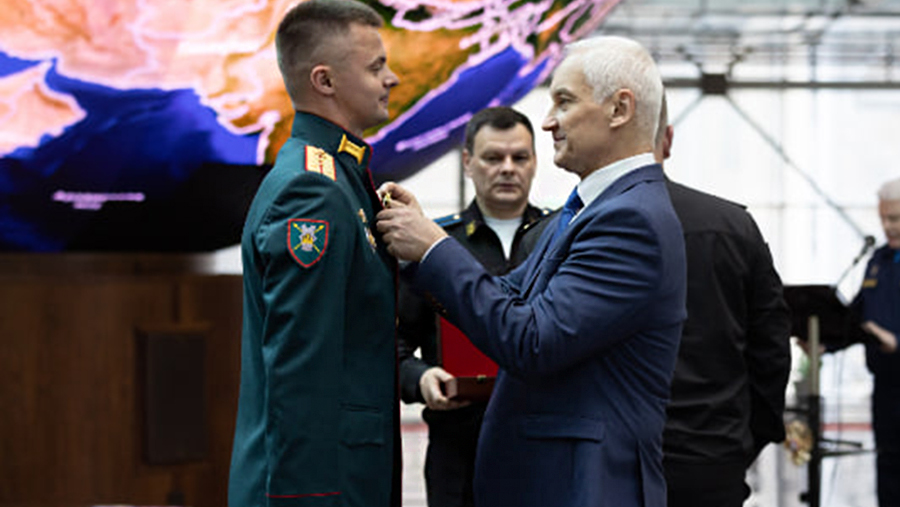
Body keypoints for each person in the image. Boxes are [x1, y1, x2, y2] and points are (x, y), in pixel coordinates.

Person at [377, 36, 686, 507]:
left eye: (564, 102)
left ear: (619, 109)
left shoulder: (629, 219)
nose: (548, 121)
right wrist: (425, 247)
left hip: (583, 486)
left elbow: (532, 341)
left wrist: (435, 248)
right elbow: (509, 295)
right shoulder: (592, 208)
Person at [228, 1, 401, 506]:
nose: (391, 78)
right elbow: (300, 369)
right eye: (375, 67)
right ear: (324, 81)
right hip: (318, 487)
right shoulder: (312, 191)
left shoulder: (339, 176)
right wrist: (304, 498)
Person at [397, 106, 550, 507]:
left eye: (519, 157)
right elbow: (389, 344)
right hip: (460, 449)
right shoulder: (433, 246)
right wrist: (421, 378)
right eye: (493, 157)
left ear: (535, 162)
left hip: (546, 446)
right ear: (467, 162)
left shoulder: (559, 240)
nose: (507, 168)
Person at [654, 96, 793, 507]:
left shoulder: (578, 230)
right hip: (714, 454)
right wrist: (748, 437)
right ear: (668, 139)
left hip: (615, 458)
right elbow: (772, 347)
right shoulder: (733, 226)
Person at [817, 177, 900, 507]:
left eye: (895, 218)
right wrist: (825, 341)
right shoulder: (878, 261)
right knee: (888, 466)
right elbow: (857, 316)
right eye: (883, 218)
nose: (888, 226)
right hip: (886, 387)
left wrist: (897, 340)